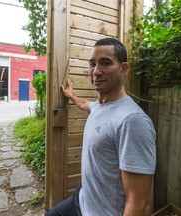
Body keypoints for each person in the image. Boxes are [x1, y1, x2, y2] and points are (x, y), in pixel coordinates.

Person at [45, 38, 156, 216]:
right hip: (82, 200)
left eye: (105, 63)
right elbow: (85, 104)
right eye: (92, 64)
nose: (96, 71)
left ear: (123, 68)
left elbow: (139, 204)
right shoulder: (99, 107)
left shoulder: (132, 121)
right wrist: (70, 95)